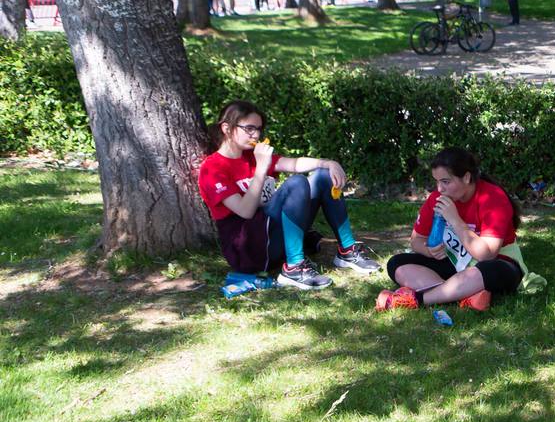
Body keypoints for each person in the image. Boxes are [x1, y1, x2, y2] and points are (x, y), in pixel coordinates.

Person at [198, 100, 382, 288]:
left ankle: (347, 251)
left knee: (323, 176)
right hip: (249, 252)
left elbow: (294, 164)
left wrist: (328, 163)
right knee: (296, 183)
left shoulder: (252, 156)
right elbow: (244, 211)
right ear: (227, 128)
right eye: (249, 128)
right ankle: (294, 269)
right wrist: (261, 168)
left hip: (273, 238)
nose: (256, 134)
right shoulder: (212, 168)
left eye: (259, 129)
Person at [377, 148, 526, 312]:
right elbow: (416, 240)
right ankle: (463, 296)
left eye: (446, 182)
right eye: (437, 182)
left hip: (494, 264)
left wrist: (455, 219)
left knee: (490, 271)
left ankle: (418, 300)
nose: (440, 189)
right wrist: (429, 251)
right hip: (454, 263)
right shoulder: (437, 198)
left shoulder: (492, 197)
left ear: (467, 177)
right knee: (397, 263)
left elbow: (487, 254)